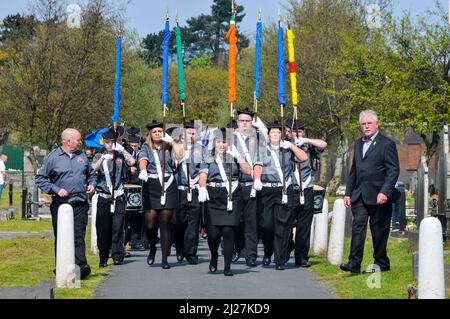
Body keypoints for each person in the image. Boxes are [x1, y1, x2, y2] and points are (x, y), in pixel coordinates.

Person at [341, 110, 400, 274]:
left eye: (369, 123)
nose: (366, 127)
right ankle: (354, 263)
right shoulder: (358, 143)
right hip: (359, 194)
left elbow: (393, 171)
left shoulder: (386, 144)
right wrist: (348, 193)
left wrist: (385, 192)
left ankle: (381, 262)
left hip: (379, 195)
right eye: (363, 124)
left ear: (376, 124)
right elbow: (354, 170)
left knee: (378, 230)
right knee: (358, 226)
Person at [35, 128, 96, 279]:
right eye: (78, 139)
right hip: (61, 205)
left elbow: (92, 174)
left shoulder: (82, 155)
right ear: (68, 141)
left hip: (80, 203)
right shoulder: (53, 157)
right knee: (62, 236)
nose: (81, 142)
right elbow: (40, 179)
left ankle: (80, 267)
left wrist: (92, 184)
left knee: (79, 236)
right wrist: (56, 189)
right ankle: (62, 267)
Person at [253, 121, 308, 270]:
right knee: (266, 224)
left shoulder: (287, 150)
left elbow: (303, 158)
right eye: (273, 133)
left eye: (278, 132)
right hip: (267, 191)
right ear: (268, 135)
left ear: (281, 135)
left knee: (283, 226)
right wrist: (257, 178)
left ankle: (280, 259)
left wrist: (291, 146)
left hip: (284, 190)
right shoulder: (262, 149)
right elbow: (258, 165)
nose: (276, 135)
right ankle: (268, 250)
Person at [198, 128, 252, 276]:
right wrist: (202, 187)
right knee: (213, 235)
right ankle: (214, 255)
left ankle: (227, 266)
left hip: (232, 195)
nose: (222, 145)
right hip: (214, 196)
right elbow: (203, 174)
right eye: (219, 142)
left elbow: (248, 171)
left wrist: (239, 157)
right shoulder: (208, 156)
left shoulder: (234, 156)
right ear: (214, 143)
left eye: (225, 141)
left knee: (229, 232)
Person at [138, 120, 185, 269]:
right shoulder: (146, 147)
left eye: (160, 131)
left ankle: (165, 258)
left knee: (165, 223)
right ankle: (152, 247)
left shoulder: (169, 146)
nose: (157, 133)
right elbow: (143, 160)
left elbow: (181, 154)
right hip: (151, 185)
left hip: (169, 185)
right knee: (151, 224)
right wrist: (143, 170)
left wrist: (172, 141)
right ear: (150, 135)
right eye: (154, 132)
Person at [91, 129, 136, 267]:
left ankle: (117, 255)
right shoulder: (99, 155)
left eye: (112, 142)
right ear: (104, 143)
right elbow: (93, 168)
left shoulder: (120, 155)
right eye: (107, 142)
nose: (110, 145)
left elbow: (132, 161)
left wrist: (122, 149)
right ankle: (103, 256)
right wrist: (104, 158)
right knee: (103, 229)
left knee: (118, 227)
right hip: (104, 197)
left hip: (118, 196)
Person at [289, 120, 327, 268]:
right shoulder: (286, 145)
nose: (297, 133)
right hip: (291, 188)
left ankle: (302, 257)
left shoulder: (309, 145)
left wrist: (306, 140)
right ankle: (287, 245)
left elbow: (323, 144)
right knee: (286, 222)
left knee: (304, 226)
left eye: (300, 131)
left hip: (307, 188)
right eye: (295, 131)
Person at [232, 108, 266, 266]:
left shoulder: (259, 138)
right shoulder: (229, 138)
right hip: (233, 186)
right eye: (242, 121)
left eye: (247, 121)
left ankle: (251, 255)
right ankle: (237, 247)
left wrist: (263, 127)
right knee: (235, 221)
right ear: (237, 122)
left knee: (251, 222)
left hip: (251, 184)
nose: (245, 123)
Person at [173, 120, 203, 264]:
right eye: (189, 132)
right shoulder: (175, 148)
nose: (191, 135)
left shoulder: (201, 150)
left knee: (193, 223)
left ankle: (191, 253)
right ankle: (179, 247)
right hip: (181, 190)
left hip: (195, 189)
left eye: (193, 133)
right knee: (178, 222)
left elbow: (204, 169)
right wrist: (178, 159)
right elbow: (171, 167)